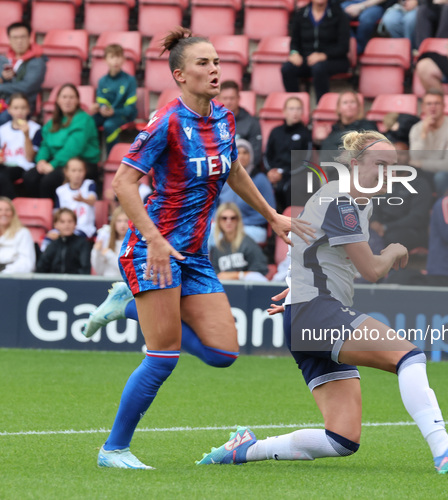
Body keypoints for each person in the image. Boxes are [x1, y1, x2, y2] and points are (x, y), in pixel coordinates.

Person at [196, 131, 448, 473]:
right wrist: (394, 251)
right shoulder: (340, 201)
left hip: (307, 311)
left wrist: (296, 292)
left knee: (342, 439)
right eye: (379, 165)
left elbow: (311, 248)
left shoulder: (356, 203)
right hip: (316, 310)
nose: (387, 174)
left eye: (392, 167)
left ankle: (248, 449)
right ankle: (443, 448)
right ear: (354, 165)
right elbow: (371, 269)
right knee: (409, 356)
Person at [81, 28, 312, 470]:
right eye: (203, 64)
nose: (214, 70)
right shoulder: (166, 121)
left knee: (224, 354)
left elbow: (233, 171)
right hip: (154, 251)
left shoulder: (223, 118)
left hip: (195, 257)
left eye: (217, 62)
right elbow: (122, 183)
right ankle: (113, 449)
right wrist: (153, 239)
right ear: (179, 75)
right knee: (163, 356)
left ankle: (125, 306)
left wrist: (271, 214)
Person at [23, 84, 101, 199]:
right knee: (30, 177)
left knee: (48, 181)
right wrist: (41, 161)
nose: (67, 101)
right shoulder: (53, 122)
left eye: (71, 97)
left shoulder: (84, 120)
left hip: (82, 163)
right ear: (58, 100)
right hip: (58, 162)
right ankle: (36, 210)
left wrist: (52, 165)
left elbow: (73, 149)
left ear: (77, 100)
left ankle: (51, 213)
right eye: (64, 97)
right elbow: (45, 144)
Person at [282, 0, 350, 102]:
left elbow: (344, 47)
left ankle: (322, 107)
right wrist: (294, 53)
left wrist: (324, 55)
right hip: (307, 59)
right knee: (287, 68)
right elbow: (294, 42)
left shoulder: (339, 14)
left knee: (319, 67)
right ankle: (295, 106)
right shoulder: (300, 14)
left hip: (334, 59)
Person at [408, 89, 448, 196]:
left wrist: (421, 164)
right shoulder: (417, 129)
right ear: (422, 107)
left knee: (441, 176)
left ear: (444, 106)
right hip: (428, 171)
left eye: (437, 103)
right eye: (429, 104)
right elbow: (414, 158)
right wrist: (423, 135)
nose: (433, 107)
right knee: (410, 174)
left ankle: (442, 207)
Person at [217, 138, 276, 244]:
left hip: (251, 227)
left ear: (251, 156)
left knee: (232, 238)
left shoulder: (260, 179)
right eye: (238, 152)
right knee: (209, 233)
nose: (242, 156)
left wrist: (238, 223)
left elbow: (270, 210)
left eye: (245, 152)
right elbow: (213, 205)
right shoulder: (223, 177)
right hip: (226, 224)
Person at [265, 96, 312, 212]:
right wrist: (270, 171)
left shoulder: (305, 133)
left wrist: (283, 173)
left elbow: (306, 161)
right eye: (291, 109)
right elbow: (267, 155)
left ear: (302, 112)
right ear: (284, 112)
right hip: (273, 174)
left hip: (294, 175)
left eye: (298, 109)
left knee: (289, 187)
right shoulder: (275, 132)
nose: (295, 112)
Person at [90, 44, 138, 154]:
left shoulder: (130, 80)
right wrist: (101, 108)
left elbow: (130, 109)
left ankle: (111, 156)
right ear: (105, 60)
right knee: (89, 121)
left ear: (123, 59)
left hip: (123, 115)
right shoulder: (102, 81)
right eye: (112, 57)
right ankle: (92, 155)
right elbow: (101, 101)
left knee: (109, 125)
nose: (115, 60)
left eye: (118, 57)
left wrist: (114, 111)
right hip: (107, 114)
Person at [0, 22, 46, 126]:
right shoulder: (3, 59)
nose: (19, 41)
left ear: (30, 38)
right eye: (15, 38)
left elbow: (26, 87)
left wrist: (1, 86)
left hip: (22, 108)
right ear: (9, 40)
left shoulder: (37, 62)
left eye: (23, 37)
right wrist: (2, 77)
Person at [209, 202, 269, 282]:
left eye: (233, 218)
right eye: (224, 218)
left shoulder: (248, 243)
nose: (228, 221)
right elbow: (216, 274)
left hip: (247, 289)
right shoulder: (217, 248)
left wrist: (237, 275)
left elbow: (260, 271)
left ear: (238, 220)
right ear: (219, 221)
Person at [0, 92, 42, 198]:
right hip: (5, 165)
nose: (19, 111)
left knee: (2, 176)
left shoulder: (35, 129)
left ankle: (11, 206)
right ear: (9, 110)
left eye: (23, 108)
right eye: (16, 108)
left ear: (29, 109)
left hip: (22, 167)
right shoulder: (2, 129)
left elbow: (29, 158)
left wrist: (26, 135)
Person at [217, 80, 263, 168]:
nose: (228, 102)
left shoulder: (251, 122)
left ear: (238, 98)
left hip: (243, 172)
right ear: (218, 99)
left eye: (232, 98)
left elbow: (255, 155)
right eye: (225, 98)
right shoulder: (210, 121)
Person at [36, 208, 91, 274]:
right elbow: (41, 268)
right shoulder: (53, 245)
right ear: (55, 225)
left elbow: (85, 269)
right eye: (62, 222)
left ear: (75, 224)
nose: (66, 225)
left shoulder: (83, 244)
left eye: (70, 221)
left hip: (75, 283)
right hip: (54, 283)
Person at [0, 196, 35, 274]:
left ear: (13, 213)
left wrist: (4, 273)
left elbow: (27, 264)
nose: (4, 213)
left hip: (11, 278)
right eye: (0, 210)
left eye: (7, 210)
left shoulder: (23, 233)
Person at [91, 206, 129, 277]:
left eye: (126, 221)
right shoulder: (107, 241)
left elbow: (126, 270)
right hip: (107, 282)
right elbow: (99, 270)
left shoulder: (134, 244)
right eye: (119, 221)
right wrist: (96, 251)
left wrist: (109, 254)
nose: (122, 224)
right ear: (114, 223)